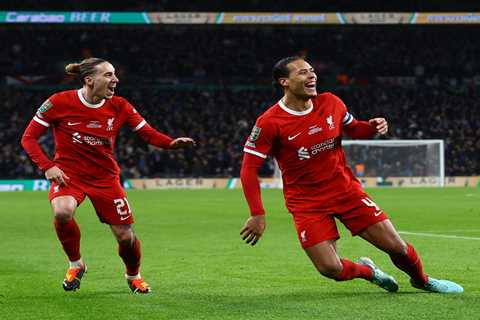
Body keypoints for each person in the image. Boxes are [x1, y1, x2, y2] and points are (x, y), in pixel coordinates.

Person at [239, 56, 463, 294]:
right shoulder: (269, 122)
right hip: (307, 203)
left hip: (345, 191)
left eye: (312, 70)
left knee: (397, 247)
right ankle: (370, 272)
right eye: (303, 72)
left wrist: (372, 127)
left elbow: (355, 128)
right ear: (284, 81)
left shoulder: (332, 102)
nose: (312, 75)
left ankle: (422, 280)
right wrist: (257, 214)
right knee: (329, 268)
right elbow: (248, 168)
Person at [21, 58, 196, 294]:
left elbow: (147, 133)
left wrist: (171, 143)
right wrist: (47, 166)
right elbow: (28, 138)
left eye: (114, 75)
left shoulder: (120, 105)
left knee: (126, 237)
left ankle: (133, 276)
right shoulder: (58, 102)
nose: (115, 80)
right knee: (62, 211)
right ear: (89, 80)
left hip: (105, 178)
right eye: (108, 75)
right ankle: (76, 264)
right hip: (68, 174)